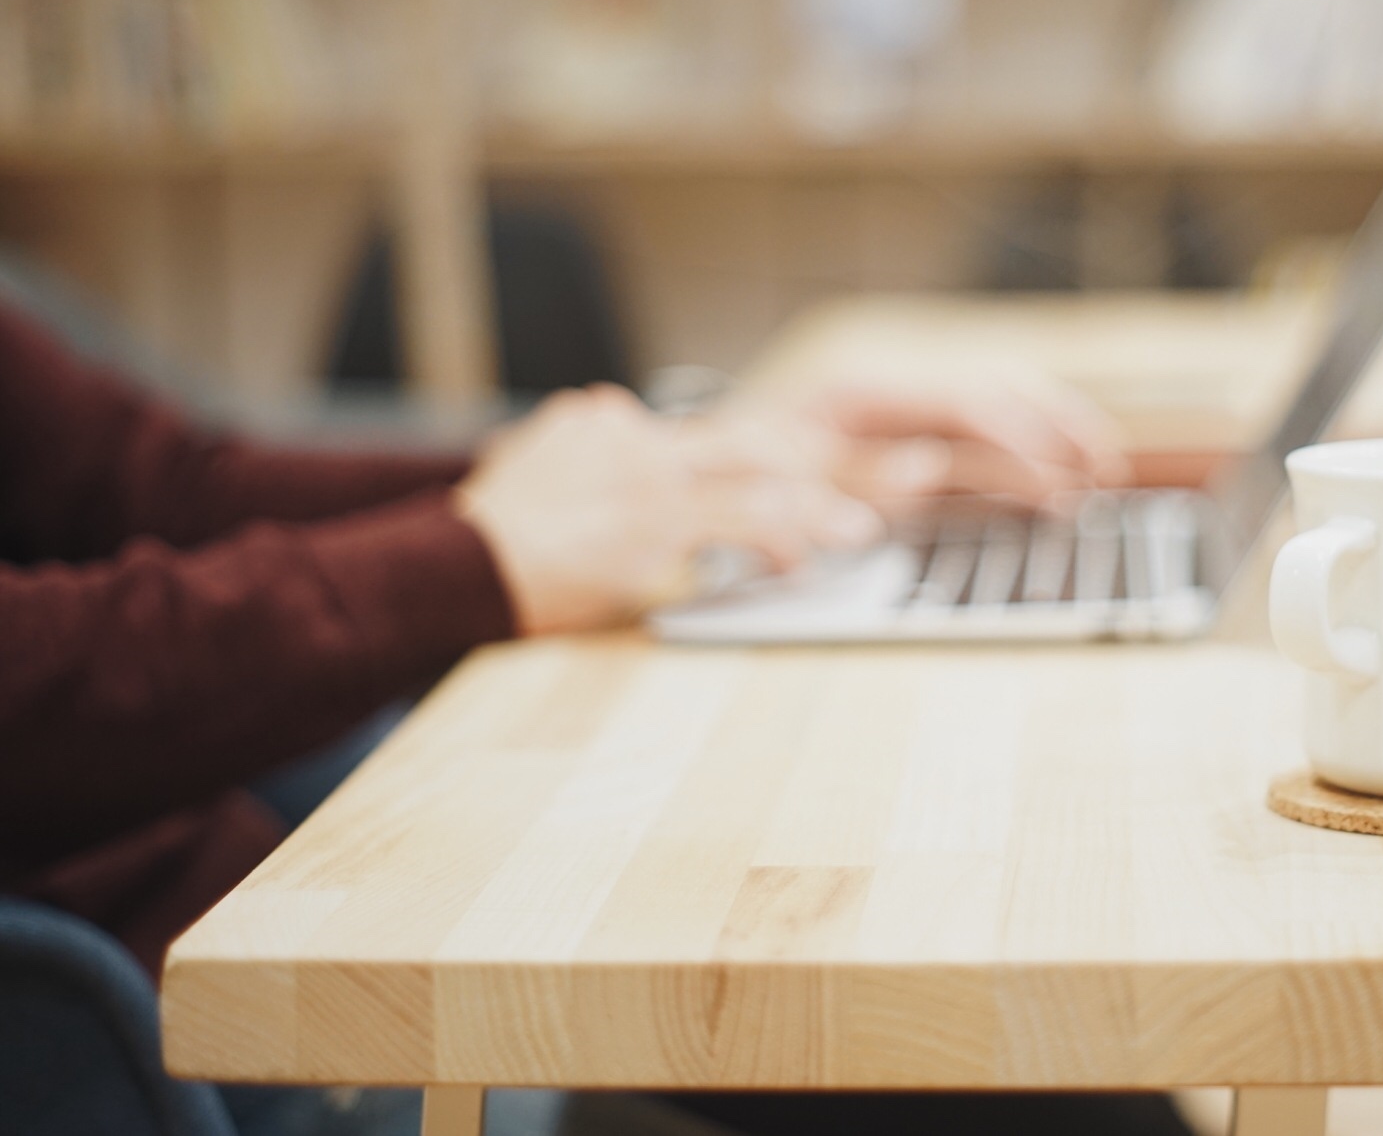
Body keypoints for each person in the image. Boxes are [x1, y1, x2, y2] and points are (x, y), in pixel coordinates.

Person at [0, 296, 1195, 1136]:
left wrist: (704, 471)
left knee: (1080, 1095)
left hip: (246, 894)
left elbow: (165, 493)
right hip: (187, 1023)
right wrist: (474, 562)